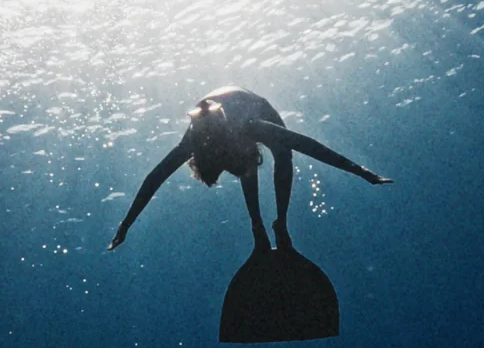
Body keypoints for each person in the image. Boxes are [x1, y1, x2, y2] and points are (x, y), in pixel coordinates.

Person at [107, 86, 392, 252]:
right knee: (249, 165)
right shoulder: (194, 140)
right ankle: (257, 225)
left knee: (283, 151)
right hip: (233, 122)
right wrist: (126, 224)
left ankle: (279, 222)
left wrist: (362, 172)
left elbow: (308, 145)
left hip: (257, 108)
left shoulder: (249, 126)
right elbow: (155, 178)